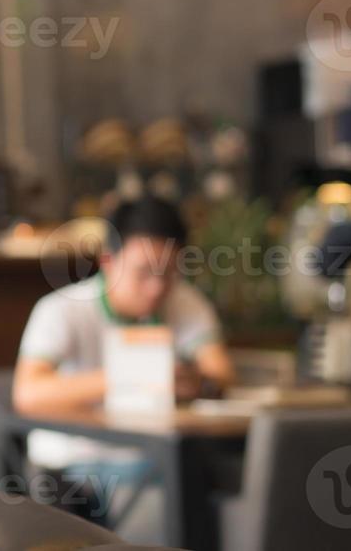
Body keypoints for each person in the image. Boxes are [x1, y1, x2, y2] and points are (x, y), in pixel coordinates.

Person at [12, 196, 236, 530]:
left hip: (157, 455)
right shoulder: (62, 309)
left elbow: (221, 374)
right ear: (108, 261)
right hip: (75, 463)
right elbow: (28, 394)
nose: (157, 287)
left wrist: (195, 383)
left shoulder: (183, 301)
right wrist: (131, 376)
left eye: (170, 272)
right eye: (143, 272)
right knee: (166, 494)